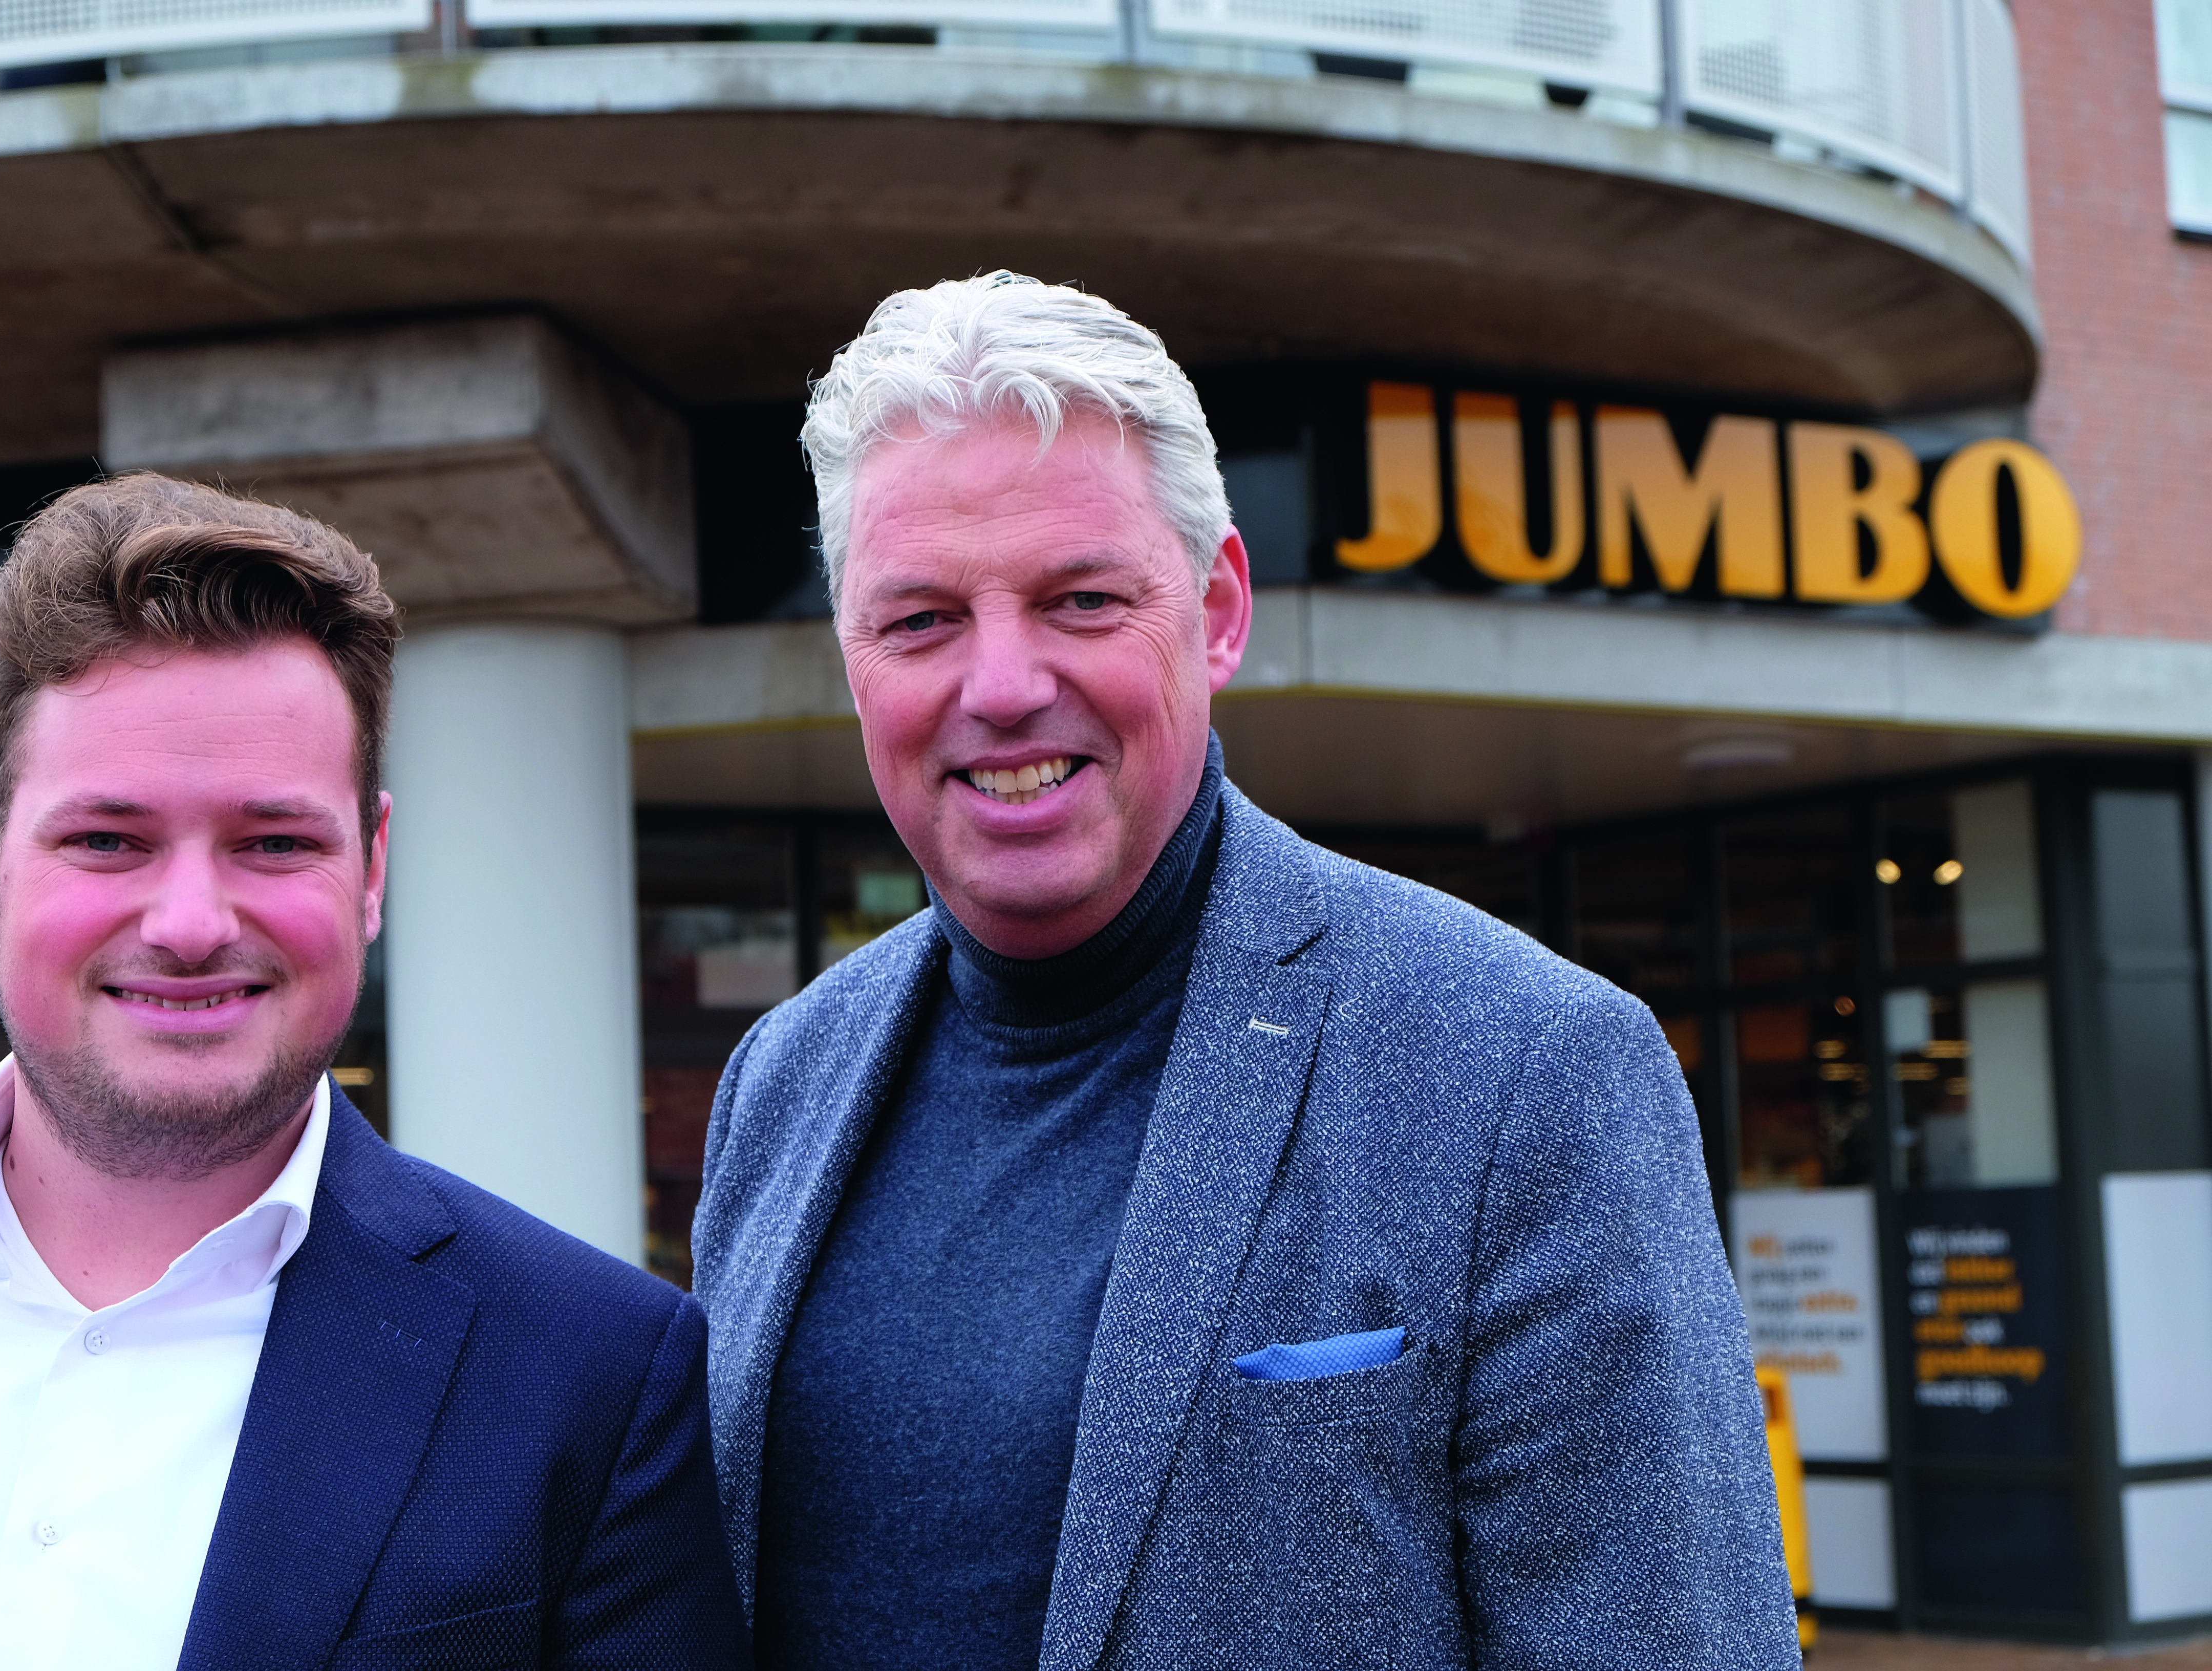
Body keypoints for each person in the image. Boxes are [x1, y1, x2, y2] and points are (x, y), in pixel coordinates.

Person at [690, 274, 1801, 1670]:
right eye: (920, 620)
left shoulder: (1529, 1072)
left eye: (1081, 599)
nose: (1002, 683)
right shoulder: (781, 1084)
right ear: (852, 660)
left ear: (1217, 613)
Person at [0, 476, 749, 1670]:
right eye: (109, 840)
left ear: (370, 869)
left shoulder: (593, 1384)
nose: (192, 922)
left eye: (273, 842)